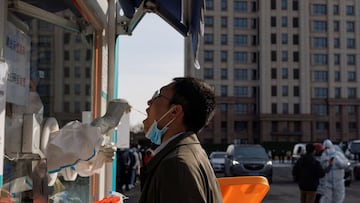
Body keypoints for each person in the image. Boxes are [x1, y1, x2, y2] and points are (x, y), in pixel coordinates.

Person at [139, 77, 223, 203]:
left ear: (174, 111)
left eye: (158, 96)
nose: (149, 102)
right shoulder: (190, 151)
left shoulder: (176, 164)